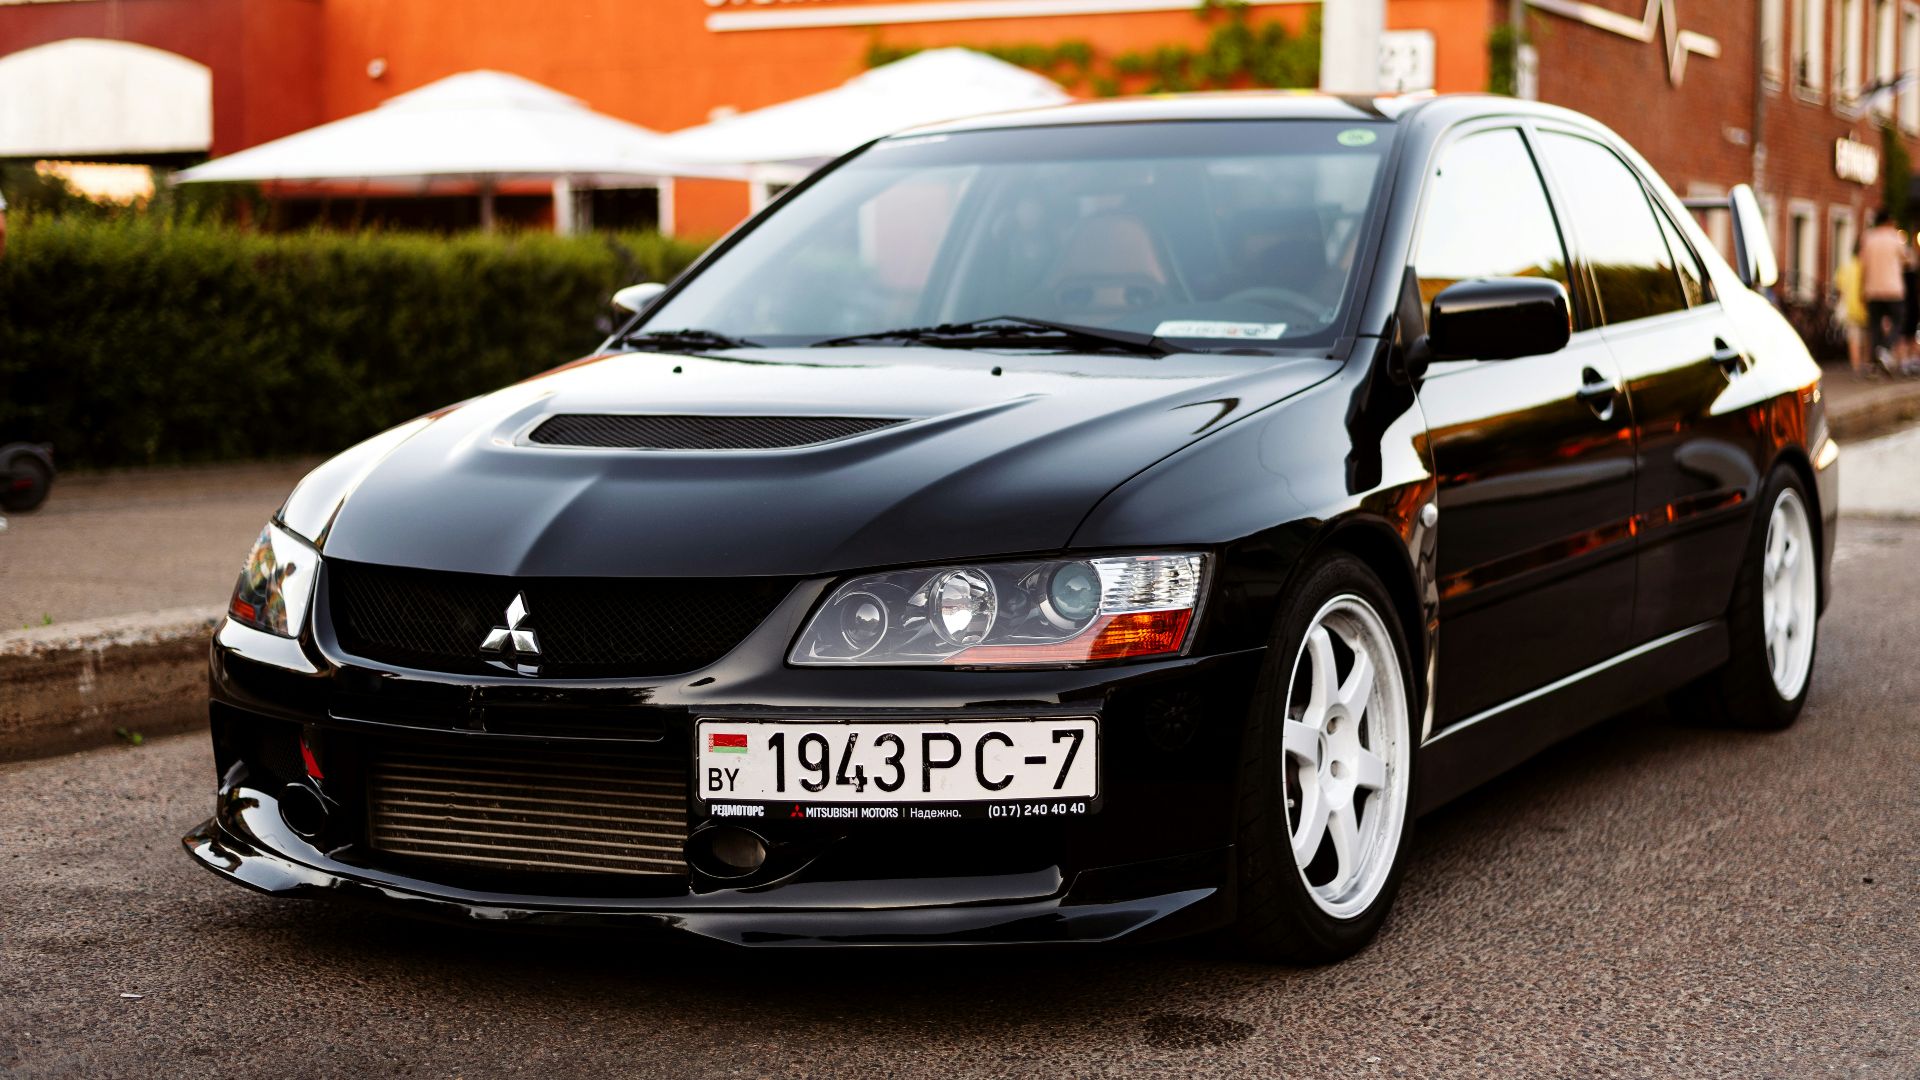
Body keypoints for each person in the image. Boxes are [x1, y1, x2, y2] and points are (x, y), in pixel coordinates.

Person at [1860, 208, 1906, 377]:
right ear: (1888, 221)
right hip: (1893, 289)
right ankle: (1885, 349)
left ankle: (1874, 364)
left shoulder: (1868, 238)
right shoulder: (1895, 237)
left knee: (1874, 326)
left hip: (1872, 288)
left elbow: (1863, 265)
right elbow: (1906, 258)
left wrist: (1862, 288)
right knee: (1899, 320)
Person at [1834, 240, 1868, 377]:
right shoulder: (1865, 267)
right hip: (1864, 309)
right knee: (1865, 339)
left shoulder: (1846, 266)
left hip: (1850, 308)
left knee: (1853, 339)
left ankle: (1856, 367)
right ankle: (1865, 365)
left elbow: (1839, 288)